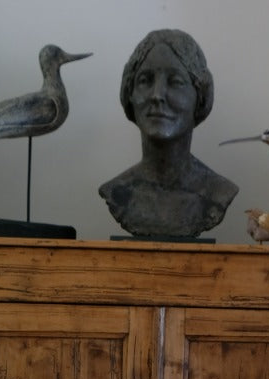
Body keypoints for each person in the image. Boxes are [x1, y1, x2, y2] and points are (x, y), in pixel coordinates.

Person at [99, 29, 238, 240]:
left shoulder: (217, 193)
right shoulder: (118, 192)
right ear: (130, 93)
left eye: (175, 82)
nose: (157, 95)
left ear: (200, 97)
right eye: (145, 80)